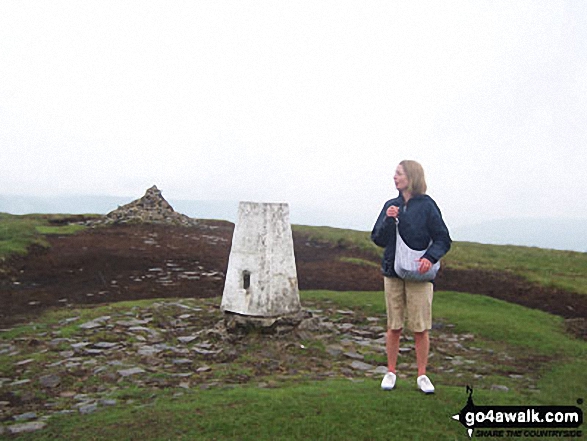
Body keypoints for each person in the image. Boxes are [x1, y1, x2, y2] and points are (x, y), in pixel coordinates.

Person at [371, 160, 451, 394]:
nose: (394, 177)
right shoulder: (391, 205)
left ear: (411, 177)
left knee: (420, 327)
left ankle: (422, 375)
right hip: (392, 272)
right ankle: (391, 372)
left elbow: (443, 238)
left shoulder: (427, 206)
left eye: (399, 174)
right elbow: (378, 238)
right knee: (394, 325)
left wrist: (430, 257)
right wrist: (388, 219)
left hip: (420, 275)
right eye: (395, 174)